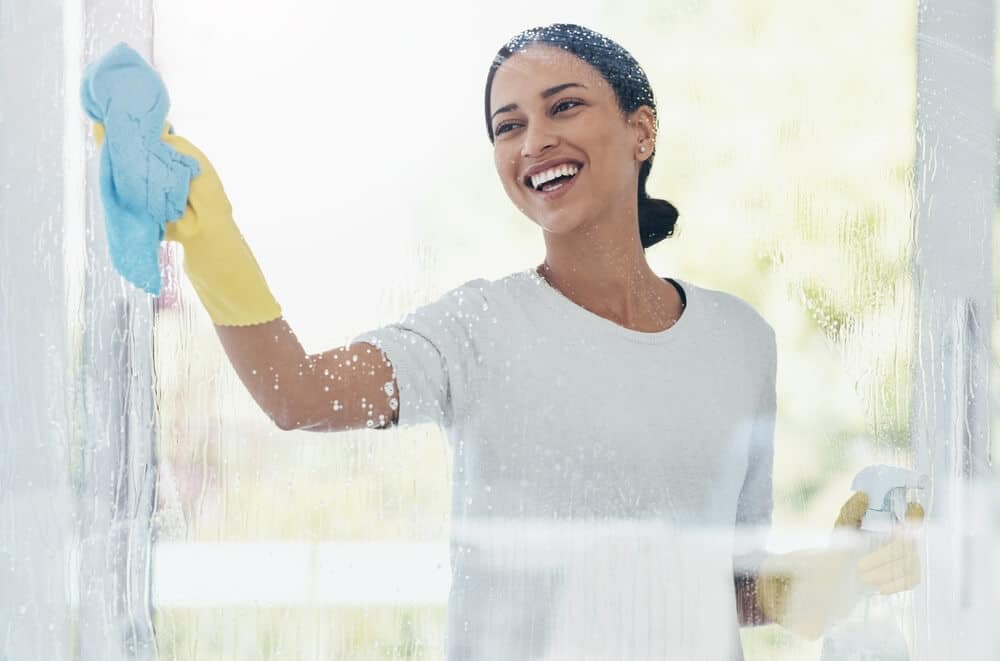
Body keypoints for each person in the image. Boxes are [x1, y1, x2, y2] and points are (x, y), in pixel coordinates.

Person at [91, 22, 921, 661]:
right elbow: (297, 393)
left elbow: (728, 580)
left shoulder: (743, 341)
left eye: (564, 106)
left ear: (642, 131)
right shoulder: (479, 329)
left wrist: (824, 579)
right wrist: (209, 233)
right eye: (507, 124)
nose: (533, 142)